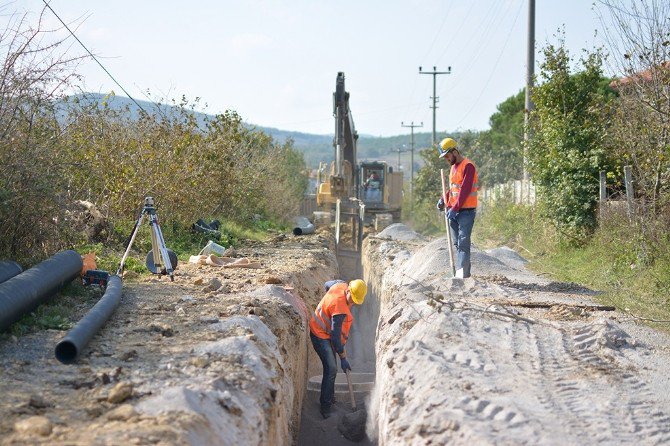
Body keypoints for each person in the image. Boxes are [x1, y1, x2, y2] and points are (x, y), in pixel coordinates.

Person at [309, 278, 367, 419]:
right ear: (348, 291)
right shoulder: (339, 310)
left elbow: (327, 284)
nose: (352, 302)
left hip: (327, 333)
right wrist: (343, 358)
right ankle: (325, 407)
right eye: (351, 299)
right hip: (319, 333)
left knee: (332, 369)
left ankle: (330, 396)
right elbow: (335, 338)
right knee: (332, 368)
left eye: (355, 300)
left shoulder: (339, 284)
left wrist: (327, 304)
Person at [436, 137, 478, 279]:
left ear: (454, 152)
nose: (446, 159)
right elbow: (453, 189)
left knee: (463, 242)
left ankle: (462, 274)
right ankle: (463, 271)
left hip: (465, 211)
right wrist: (443, 199)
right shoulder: (453, 168)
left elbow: (465, 190)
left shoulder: (468, 166)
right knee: (456, 243)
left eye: (447, 155)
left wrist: (456, 208)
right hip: (453, 211)